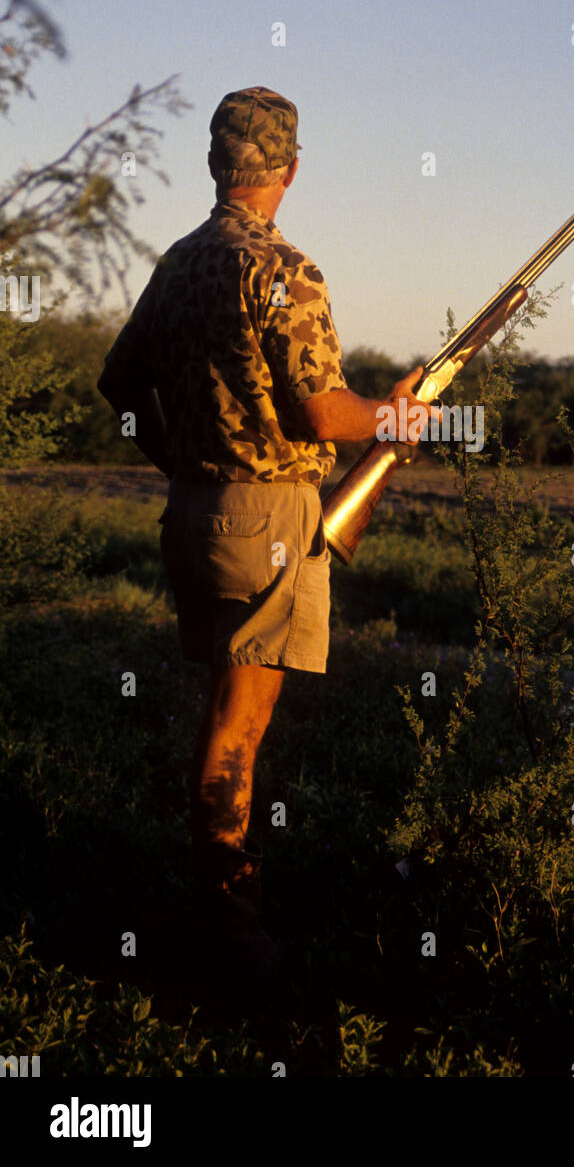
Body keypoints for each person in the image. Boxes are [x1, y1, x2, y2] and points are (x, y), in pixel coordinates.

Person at [97, 85, 437, 976]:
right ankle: (228, 925)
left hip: (195, 514)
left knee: (220, 711)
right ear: (290, 169)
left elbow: (120, 384)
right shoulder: (285, 267)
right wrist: (392, 417)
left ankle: (217, 902)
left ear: (217, 164)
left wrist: (174, 459)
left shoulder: (178, 264)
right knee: (239, 727)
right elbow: (323, 413)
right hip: (270, 520)